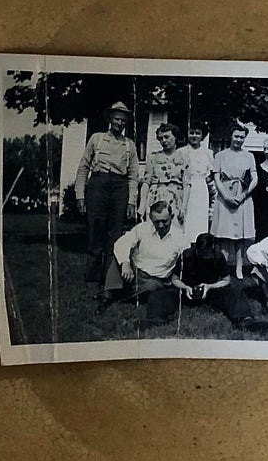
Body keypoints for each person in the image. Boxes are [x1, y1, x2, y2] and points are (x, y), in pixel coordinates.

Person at [74, 100, 140, 284]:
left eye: (124, 121)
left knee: (115, 234)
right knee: (95, 231)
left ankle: (109, 278)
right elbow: (83, 168)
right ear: (110, 119)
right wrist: (80, 196)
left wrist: (131, 201)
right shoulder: (97, 138)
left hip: (120, 188)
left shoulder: (130, 145)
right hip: (98, 185)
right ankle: (91, 277)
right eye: (117, 119)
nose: (120, 123)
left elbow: (134, 175)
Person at [100, 198, 186, 324]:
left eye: (164, 221)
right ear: (151, 219)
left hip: (156, 279)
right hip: (135, 271)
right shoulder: (143, 228)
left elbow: (187, 261)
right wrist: (125, 263)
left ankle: (114, 296)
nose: (161, 225)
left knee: (152, 287)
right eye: (157, 222)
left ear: (172, 217)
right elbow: (122, 242)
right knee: (118, 257)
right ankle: (107, 296)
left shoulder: (180, 237)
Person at [171, 232, 268, 332]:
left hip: (210, 291)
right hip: (187, 291)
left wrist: (209, 287)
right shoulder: (186, 255)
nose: (206, 257)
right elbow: (175, 279)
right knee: (166, 294)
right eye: (203, 254)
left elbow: (226, 280)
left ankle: (245, 320)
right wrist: (185, 288)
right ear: (196, 249)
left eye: (208, 254)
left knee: (235, 292)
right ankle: (157, 318)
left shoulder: (218, 256)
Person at [210, 124, 258, 277]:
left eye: (242, 137)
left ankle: (238, 267)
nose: (238, 139)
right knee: (224, 233)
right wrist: (226, 196)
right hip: (225, 195)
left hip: (242, 195)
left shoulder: (249, 156)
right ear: (231, 136)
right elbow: (216, 177)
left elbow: (254, 178)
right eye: (236, 136)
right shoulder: (220, 155)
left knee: (240, 234)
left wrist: (243, 195)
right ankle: (224, 267)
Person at [141, 122, 184, 222]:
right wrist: (142, 205)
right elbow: (146, 182)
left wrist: (184, 206)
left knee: (175, 230)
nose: (164, 140)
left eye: (167, 137)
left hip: (176, 199)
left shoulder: (184, 157)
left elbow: (187, 184)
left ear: (175, 137)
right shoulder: (153, 157)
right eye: (160, 138)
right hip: (156, 197)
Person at [177, 122, 214, 239]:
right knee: (185, 220)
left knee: (199, 220)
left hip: (201, 189)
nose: (194, 136)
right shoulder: (180, 152)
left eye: (197, 133)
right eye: (191, 132)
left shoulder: (208, 153)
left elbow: (210, 176)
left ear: (202, 136)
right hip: (185, 187)